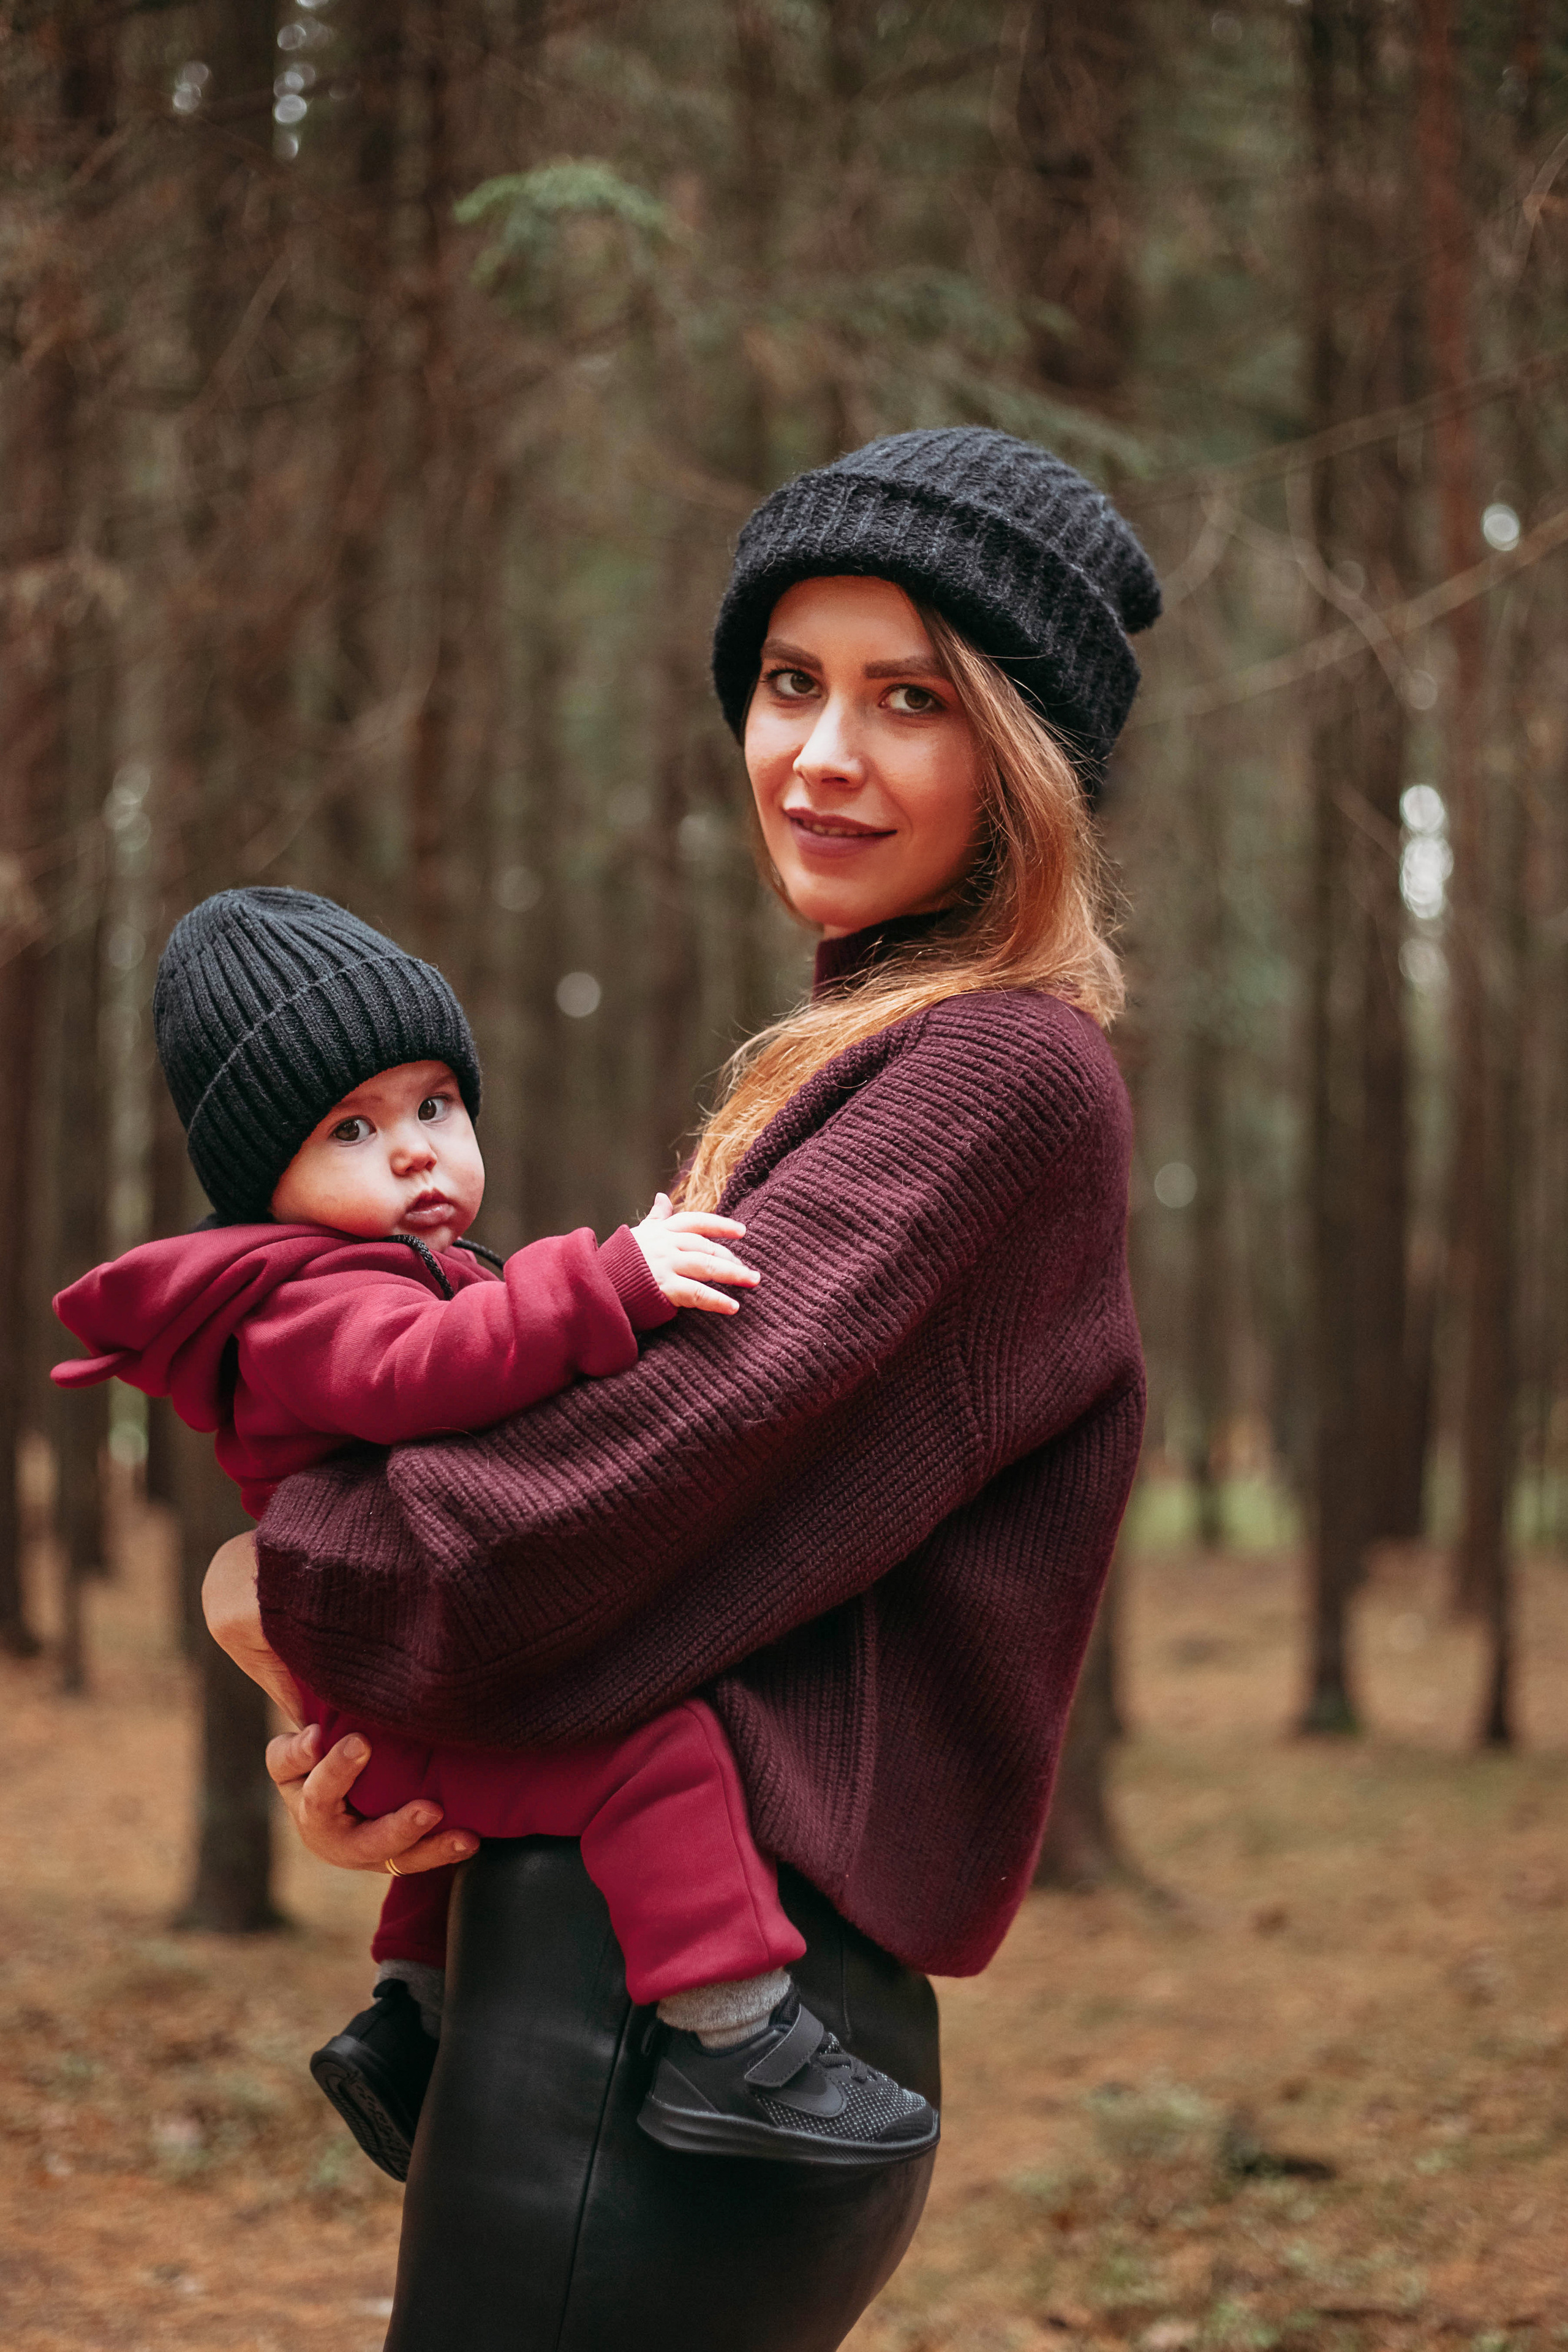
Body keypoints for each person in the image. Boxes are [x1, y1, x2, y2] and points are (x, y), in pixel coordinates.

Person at [204, 426, 1159, 2352]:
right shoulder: (861, 1057)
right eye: (791, 683)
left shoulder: (997, 1079)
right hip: (635, 1994)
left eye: (912, 700)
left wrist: (287, 1596)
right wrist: (393, 1743)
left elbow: (612, 1496)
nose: (821, 753)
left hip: (681, 2027)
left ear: (1020, 758)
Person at [52, 886, 938, 2182]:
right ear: (268, 1185)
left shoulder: (412, 1270)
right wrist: (609, 1280)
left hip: (412, 1675)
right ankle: (731, 2045)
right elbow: (424, 1373)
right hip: (412, 1670)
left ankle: (409, 2025)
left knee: (465, 1839)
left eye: (432, 1106)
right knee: (654, 1758)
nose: (414, 1151)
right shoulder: (308, 1301)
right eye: (350, 1128)